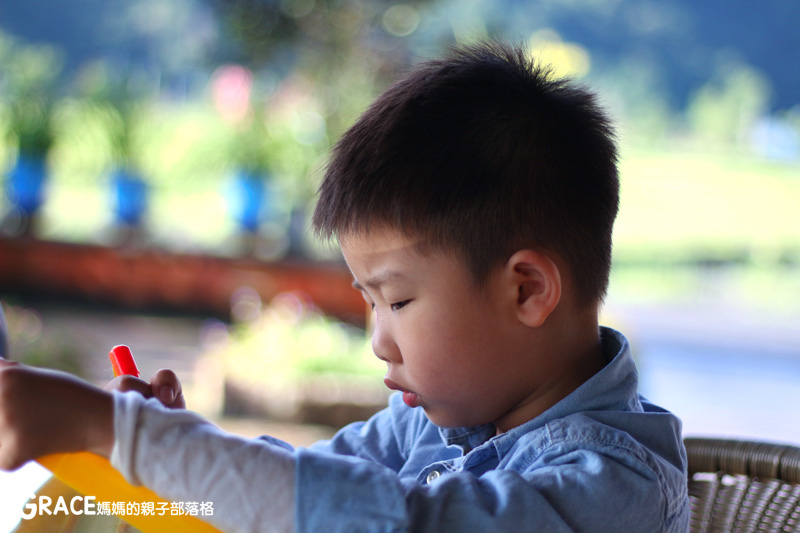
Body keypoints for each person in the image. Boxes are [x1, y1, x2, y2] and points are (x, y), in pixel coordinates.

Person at [0, 41, 689, 532]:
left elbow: (375, 521)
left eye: (397, 300)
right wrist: (172, 450)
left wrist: (121, 430)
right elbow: (299, 489)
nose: (378, 341)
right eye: (369, 303)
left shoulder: (614, 487)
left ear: (527, 291)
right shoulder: (429, 424)